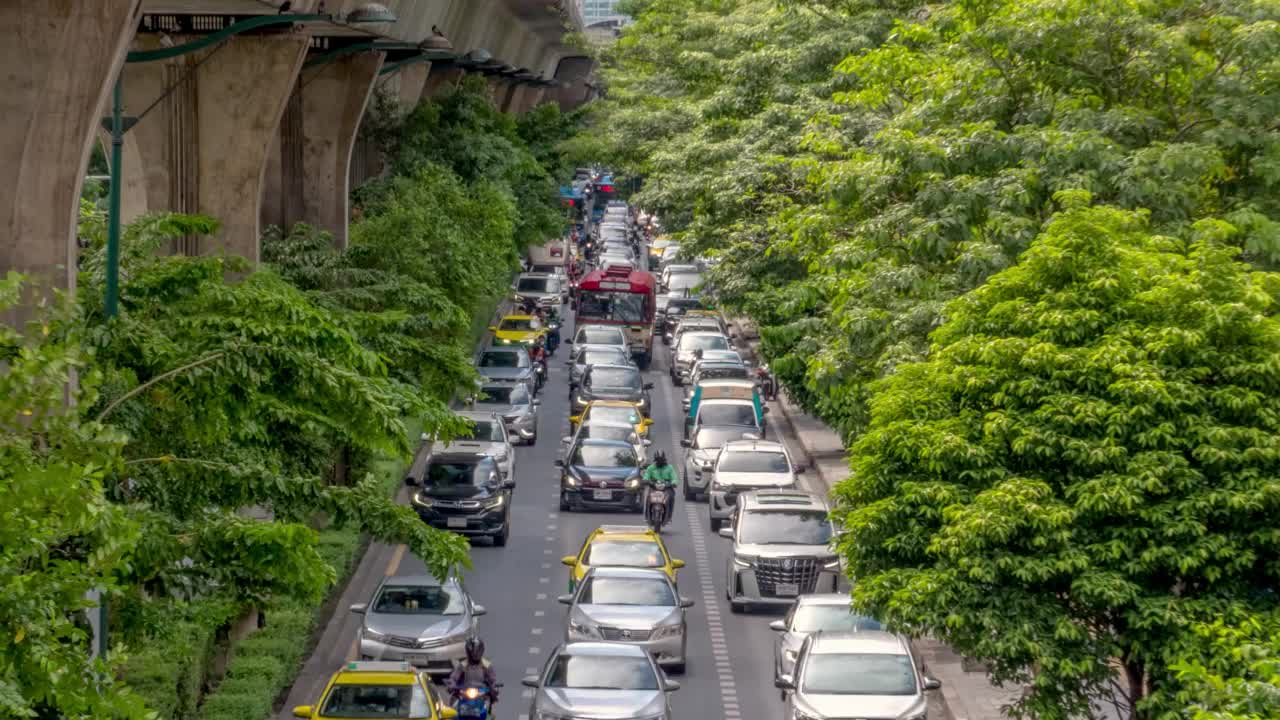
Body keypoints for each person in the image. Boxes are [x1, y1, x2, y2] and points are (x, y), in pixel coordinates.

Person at [448, 638, 499, 703]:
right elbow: (454, 677)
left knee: (490, 701)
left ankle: (488, 712)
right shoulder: (463, 664)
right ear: (468, 652)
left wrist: (494, 687)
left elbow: (493, 679)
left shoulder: (486, 665)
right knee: (452, 702)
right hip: (464, 693)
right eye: (473, 652)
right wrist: (451, 684)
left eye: (477, 652)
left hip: (481, 694)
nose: (475, 654)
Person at [642, 451, 678, 524]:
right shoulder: (651, 468)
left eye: (661, 460)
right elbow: (646, 477)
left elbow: (675, 478)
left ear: (664, 460)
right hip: (654, 487)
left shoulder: (669, 467)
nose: (660, 462)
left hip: (667, 488)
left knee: (671, 497)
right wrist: (648, 481)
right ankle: (647, 516)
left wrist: (673, 483)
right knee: (648, 497)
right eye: (658, 461)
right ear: (655, 461)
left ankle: (669, 517)